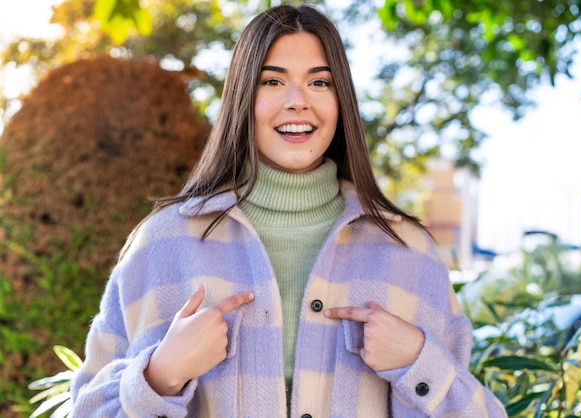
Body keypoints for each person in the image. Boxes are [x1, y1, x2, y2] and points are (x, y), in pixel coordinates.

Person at [70, 4, 507, 417]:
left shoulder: (411, 253)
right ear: (243, 97)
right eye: (272, 81)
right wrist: (160, 374)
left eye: (320, 82)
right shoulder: (162, 244)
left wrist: (417, 360)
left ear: (341, 103)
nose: (298, 100)